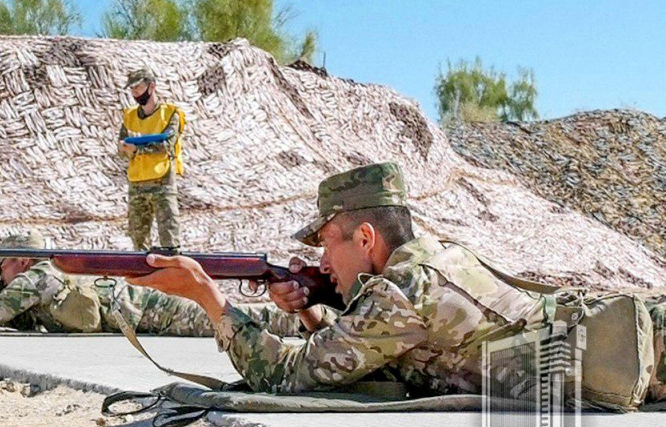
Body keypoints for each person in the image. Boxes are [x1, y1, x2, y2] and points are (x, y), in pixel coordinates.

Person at [126, 162, 548, 395]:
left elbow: (287, 376)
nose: (323, 263)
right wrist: (311, 314)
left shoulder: (401, 293)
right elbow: (364, 348)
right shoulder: (436, 259)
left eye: (328, 244)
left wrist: (208, 297)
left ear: (365, 237)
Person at [0, 230, 300, 337]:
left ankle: (304, 316)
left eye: (1, 269)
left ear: (19, 261)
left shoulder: (36, 277)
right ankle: (303, 318)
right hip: (141, 308)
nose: (0, 276)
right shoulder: (45, 276)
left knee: (225, 320)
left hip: (149, 310)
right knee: (225, 318)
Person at [117, 67, 186, 251]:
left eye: (138, 87)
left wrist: (138, 148)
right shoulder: (129, 116)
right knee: (138, 244)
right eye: (132, 89)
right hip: (137, 185)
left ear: (152, 86)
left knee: (170, 243)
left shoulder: (171, 114)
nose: (135, 93)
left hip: (161, 183)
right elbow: (121, 146)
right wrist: (126, 149)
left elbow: (166, 145)